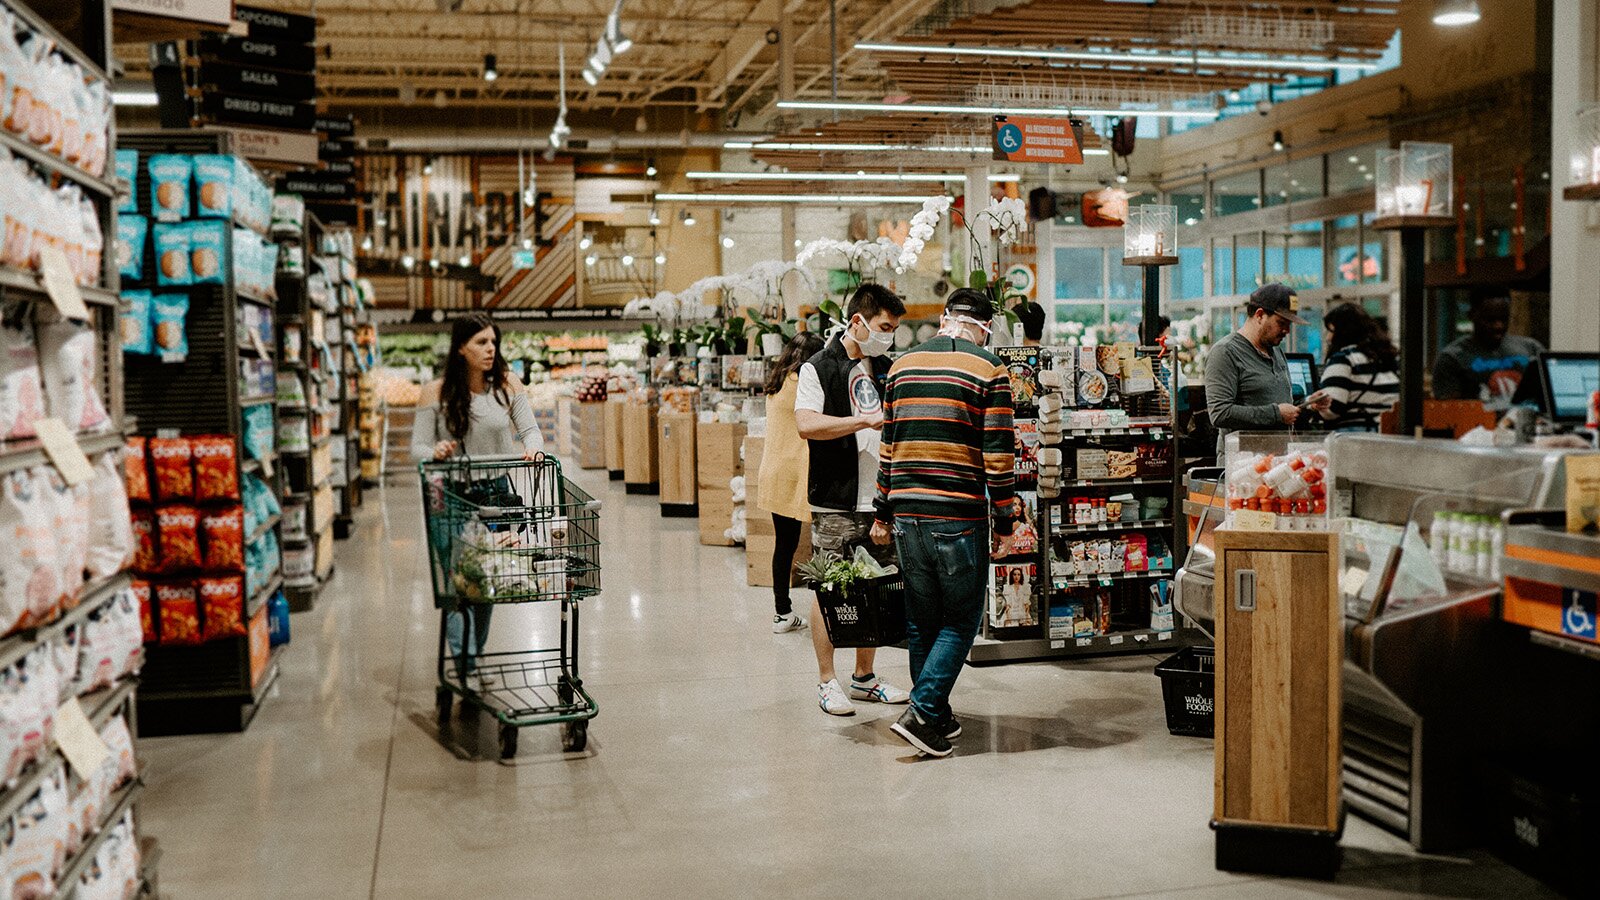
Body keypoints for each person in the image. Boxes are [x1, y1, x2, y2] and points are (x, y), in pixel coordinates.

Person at [873, 288, 1020, 757]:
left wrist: (881, 511)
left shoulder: (901, 366)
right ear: (985, 328)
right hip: (957, 515)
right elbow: (998, 455)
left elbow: (888, 446)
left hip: (905, 513)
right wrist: (1005, 521)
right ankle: (921, 712)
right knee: (960, 620)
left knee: (922, 622)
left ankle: (935, 716)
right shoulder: (989, 369)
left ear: (944, 319)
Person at [794, 283, 912, 716]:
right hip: (836, 498)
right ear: (858, 321)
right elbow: (806, 424)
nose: (889, 336)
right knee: (829, 588)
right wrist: (860, 421)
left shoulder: (887, 368)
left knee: (876, 588)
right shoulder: (819, 367)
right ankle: (827, 681)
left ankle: (865, 677)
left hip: (880, 499)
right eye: (884, 327)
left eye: (893, 329)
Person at [412, 313, 545, 689]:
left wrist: (534, 448)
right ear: (460, 348)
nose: (490, 349)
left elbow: (531, 431)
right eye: (481, 343)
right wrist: (434, 451)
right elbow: (417, 448)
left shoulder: (508, 385)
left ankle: (473, 657)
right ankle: (466, 666)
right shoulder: (435, 392)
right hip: (450, 496)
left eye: (493, 342)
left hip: (494, 494)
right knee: (457, 583)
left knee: (486, 579)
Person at [1204, 283, 1330, 459]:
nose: (1287, 331)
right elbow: (1220, 413)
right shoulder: (1225, 352)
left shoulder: (1276, 351)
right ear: (1260, 315)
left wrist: (1308, 403)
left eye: (1289, 324)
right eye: (1281, 323)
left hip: (1276, 460)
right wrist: (1276, 414)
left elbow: (1279, 402)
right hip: (1242, 463)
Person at [755, 331, 825, 634]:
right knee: (822, 542)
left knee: (784, 544)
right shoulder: (804, 384)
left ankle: (782, 612)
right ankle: (828, 611)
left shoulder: (778, 382)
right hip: (798, 471)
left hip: (774, 470)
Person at [1432, 296, 1545, 407]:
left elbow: (1549, 395)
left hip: (1528, 417)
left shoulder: (1531, 348)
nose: (1498, 326)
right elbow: (1449, 411)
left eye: (1504, 319)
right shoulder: (1452, 358)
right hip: (1479, 418)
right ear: (1471, 315)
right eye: (1490, 320)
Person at [1316, 303, 1399, 432]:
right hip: (1387, 434)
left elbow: (1333, 409)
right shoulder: (1391, 358)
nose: (1328, 338)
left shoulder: (1344, 359)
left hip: (1354, 436)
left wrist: (1312, 404)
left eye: (1331, 331)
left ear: (1343, 332)